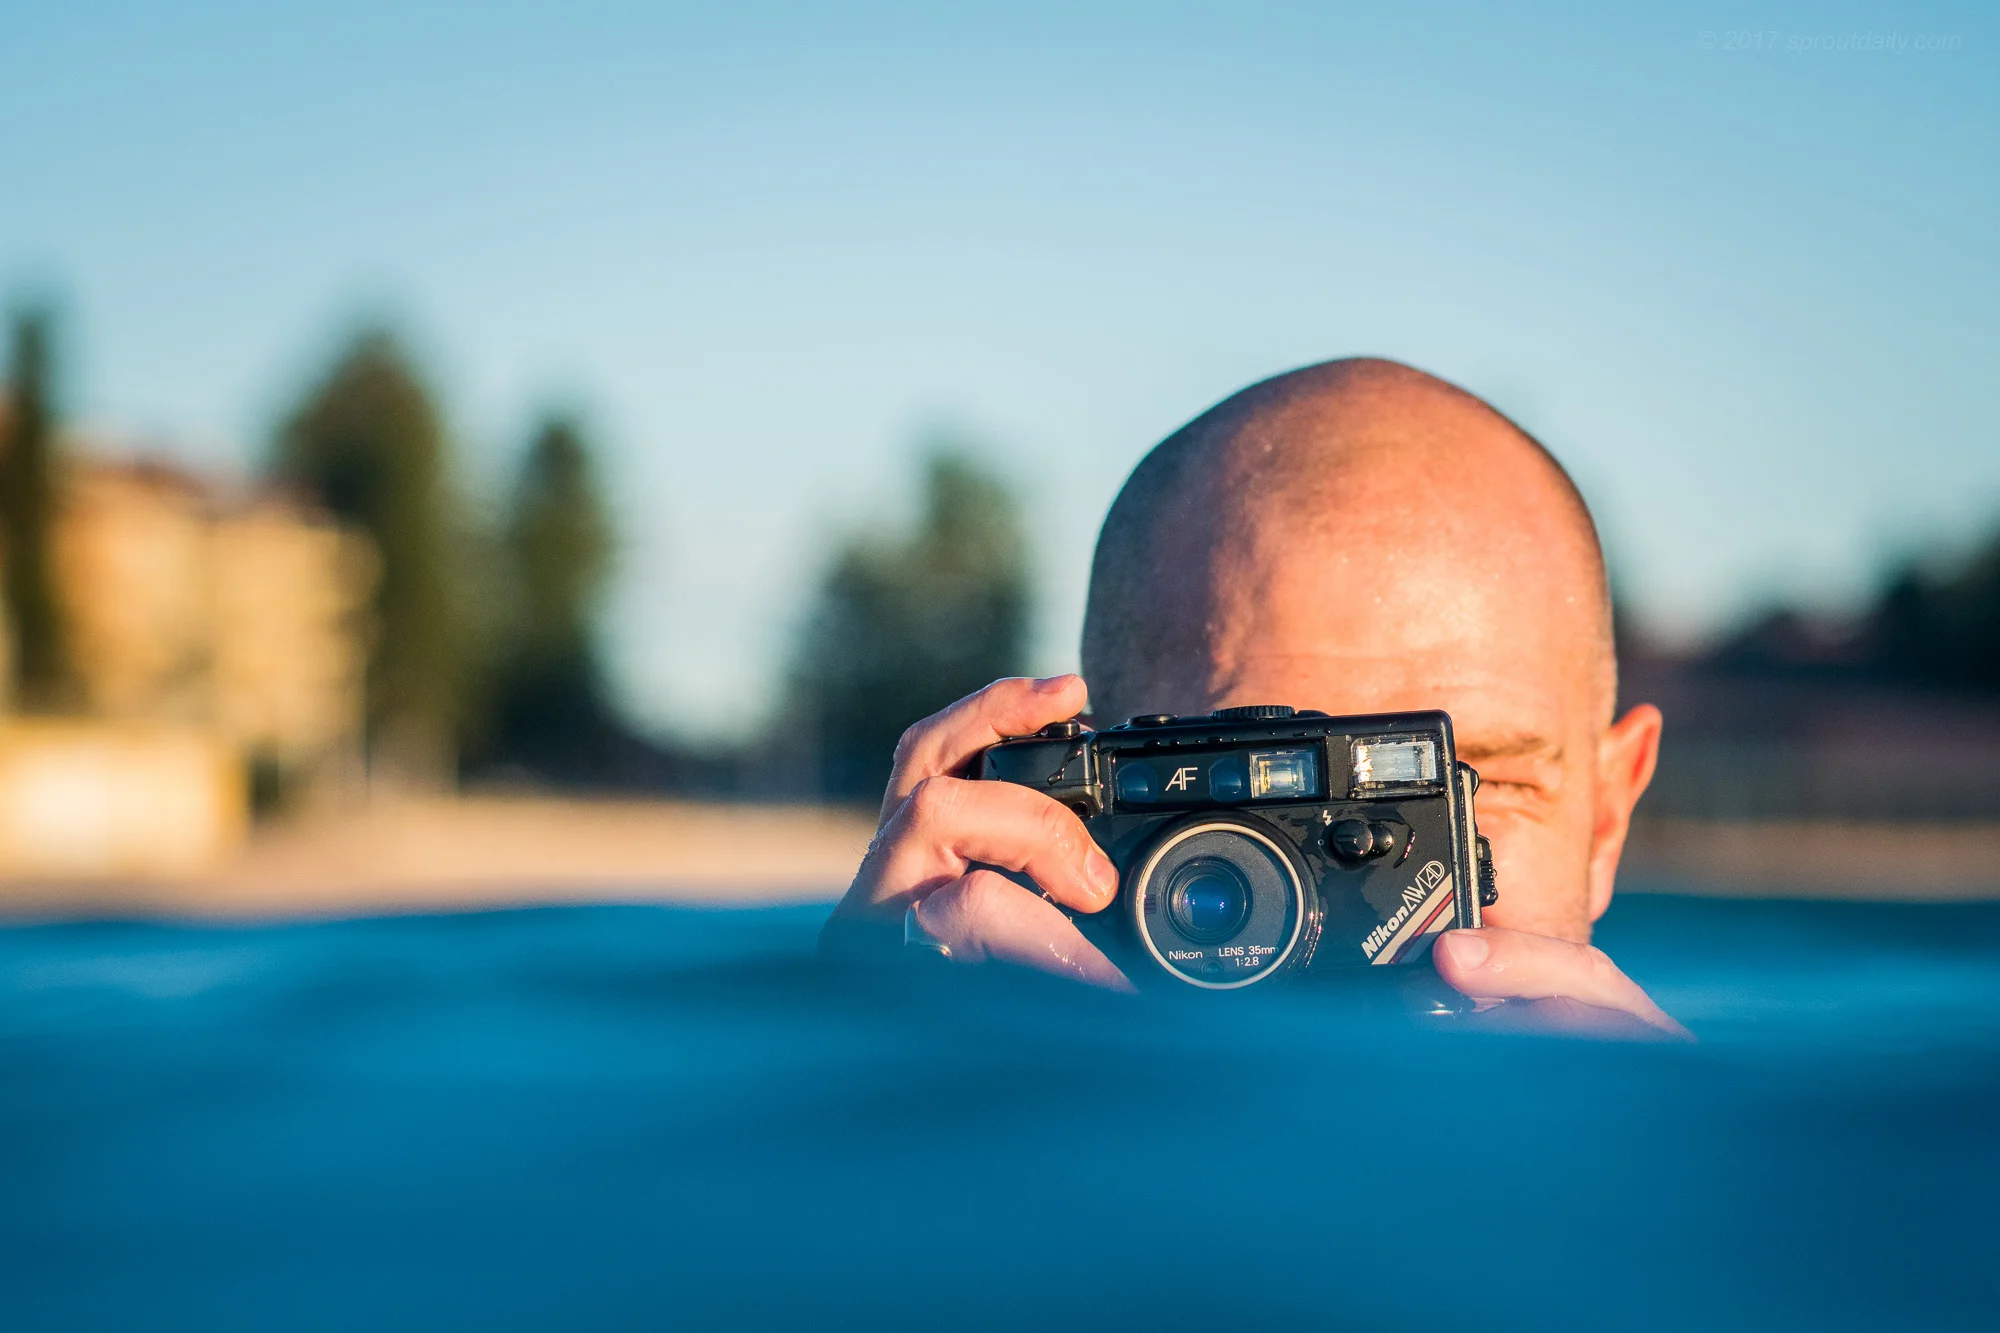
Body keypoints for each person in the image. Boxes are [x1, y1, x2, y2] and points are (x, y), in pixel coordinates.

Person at [822, 357, 1686, 1037]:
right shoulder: (989, 1134)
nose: (1345, 880)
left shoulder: (1714, 1185)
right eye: (1245, 806)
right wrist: (863, 1066)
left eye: (1465, 789)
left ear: (1607, 814)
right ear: (1070, 808)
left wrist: (1688, 1166)